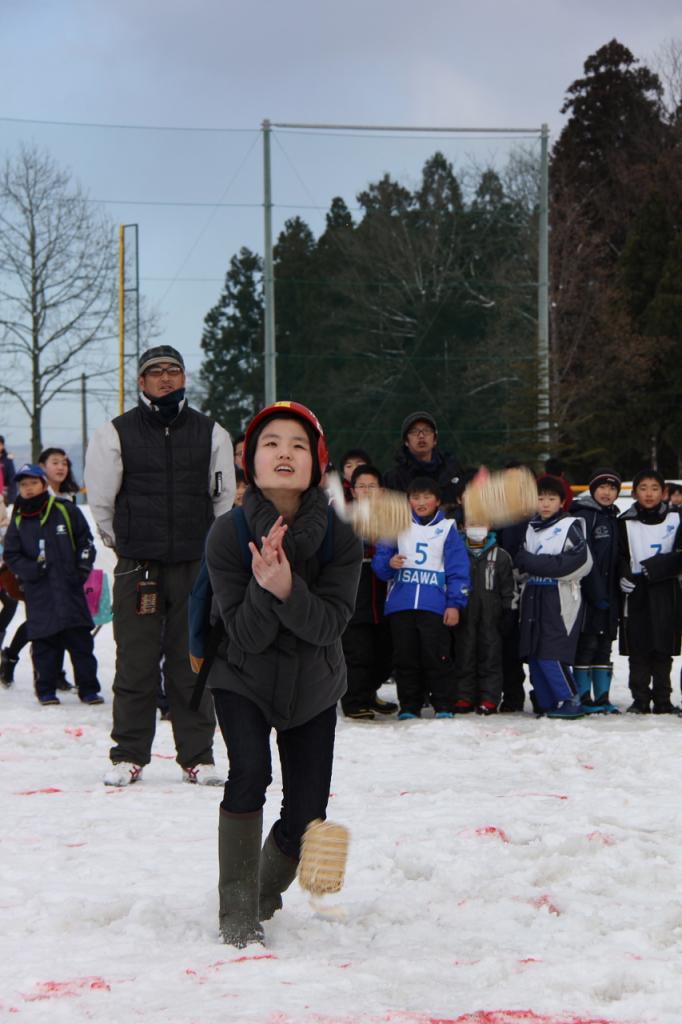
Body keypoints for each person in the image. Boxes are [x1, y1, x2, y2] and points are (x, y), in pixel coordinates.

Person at [204, 401, 362, 946]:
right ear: (252, 459)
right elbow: (244, 636)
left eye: (298, 444)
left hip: (315, 683)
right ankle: (238, 911)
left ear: (317, 461)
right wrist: (262, 583)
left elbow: (330, 625)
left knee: (307, 813)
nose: (284, 454)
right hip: (243, 677)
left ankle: (265, 894)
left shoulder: (340, 536)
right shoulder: (227, 535)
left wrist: (287, 588)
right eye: (271, 443)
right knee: (249, 774)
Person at [84, 344, 235, 786]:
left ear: (184, 378)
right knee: (136, 662)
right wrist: (126, 543)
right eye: (156, 372)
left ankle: (198, 756)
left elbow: (223, 499)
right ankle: (128, 753)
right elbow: (102, 501)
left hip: (195, 565)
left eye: (173, 371)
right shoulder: (116, 433)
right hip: (139, 567)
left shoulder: (212, 433)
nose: (166, 378)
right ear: (141, 382)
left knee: (192, 662)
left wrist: (212, 548)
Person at [3, 464, 102, 706]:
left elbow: (86, 541)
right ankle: (46, 691)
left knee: (81, 643)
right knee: (44, 645)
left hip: (70, 590)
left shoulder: (65, 510)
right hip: (39, 593)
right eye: (23, 485)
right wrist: (32, 571)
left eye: (33, 483)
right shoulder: (18, 517)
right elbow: (12, 555)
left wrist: (82, 570)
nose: (28, 489)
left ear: (43, 484)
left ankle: (89, 690)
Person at [372, 477, 470, 719]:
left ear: (437, 500)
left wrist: (455, 604)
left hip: (434, 605)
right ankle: (409, 706)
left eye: (427, 497)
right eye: (416, 497)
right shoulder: (396, 525)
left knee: (437, 656)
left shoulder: (447, 529)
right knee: (406, 658)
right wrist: (389, 563)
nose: (421, 502)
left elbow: (459, 570)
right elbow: (380, 565)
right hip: (401, 604)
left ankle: (444, 705)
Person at [515, 476, 592, 719]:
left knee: (551, 650)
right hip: (533, 593)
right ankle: (547, 700)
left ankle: (570, 699)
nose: (545, 503)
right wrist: (538, 565)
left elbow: (576, 562)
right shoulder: (531, 527)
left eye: (551, 498)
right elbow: (520, 562)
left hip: (558, 594)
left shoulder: (571, 525)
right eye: (540, 498)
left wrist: (537, 564)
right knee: (535, 651)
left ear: (561, 502)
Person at [618, 469, 682, 714]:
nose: (649, 493)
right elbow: (620, 555)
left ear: (664, 492)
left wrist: (655, 568)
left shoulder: (676, 518)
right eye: (643, 488)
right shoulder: (625, 521)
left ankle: (663, 699)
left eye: (654, 488)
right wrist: (622, 575)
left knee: (664, 646)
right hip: (637, 590)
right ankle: (640, 698)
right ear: (634, 492)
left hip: (666, 587)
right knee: (639, 646)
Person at [340, 464, 396, 720]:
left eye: (371, 486)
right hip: (355, 586)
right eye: (361, 486)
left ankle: (369, 692)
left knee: (384, 650)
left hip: (385, 588)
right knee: (357, 649)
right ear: (352, 491)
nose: (366, 491)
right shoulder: (344, 517)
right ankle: (354, 701)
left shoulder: (392, 516)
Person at [570, 469, 622, 713]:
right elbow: (584, 557)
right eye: (602, 487)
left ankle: (602, 697)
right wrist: (596, 593)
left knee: (604, 643)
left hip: (611, 593)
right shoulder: (584, 515)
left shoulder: (614, 517)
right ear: (592, 490)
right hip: (589, 596)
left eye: (612, 489)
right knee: (587, 643)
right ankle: (583, 697)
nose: (607, 492)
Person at [453, 523, 516, 715]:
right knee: (464, 653)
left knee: (491, 655)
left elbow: (509, 588)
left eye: (481, 524)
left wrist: (509, 611)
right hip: (464, 612)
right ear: (464, 526)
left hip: (492, 615)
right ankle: (464, 696)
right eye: (473, 524)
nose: (477, 529)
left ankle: (489, 698)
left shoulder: (501, 555)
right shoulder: (456, 552)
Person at [383, 412, 462, 513]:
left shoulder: (452, 471)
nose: (421, 436)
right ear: (406, 441)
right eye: (414, 431)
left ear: (435, 440)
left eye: (427, 430)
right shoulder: (393, 478)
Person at [0, 436, 17, 505]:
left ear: (3, 446)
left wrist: (11, 500)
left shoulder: (7, 460)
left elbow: (12, 480)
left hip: (4, 496)